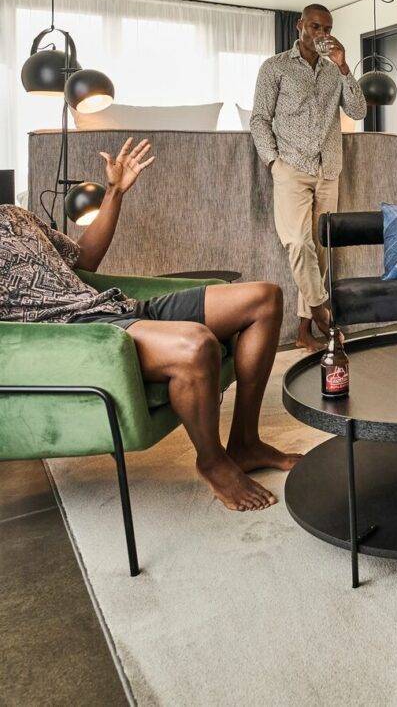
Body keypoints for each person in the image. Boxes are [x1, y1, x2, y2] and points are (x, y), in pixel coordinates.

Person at [0, 138, 300, 512]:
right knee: (196, 344)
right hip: (82, 334)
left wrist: (114, 191)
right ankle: (212, 461)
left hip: (116, 306)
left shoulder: (14, 215)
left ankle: (246, 443)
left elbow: (83, 260)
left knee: (265, 298)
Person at [251, 4, 367, 349]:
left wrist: (344, 66)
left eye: (326, 28)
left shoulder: (334, 70)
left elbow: (358, 110)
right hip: (291, 167)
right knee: (298, 243)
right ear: (299, 25)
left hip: (328, 169)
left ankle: (304, 332)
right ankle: (321, 314)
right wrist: (273, 162)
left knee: (320, 249)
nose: (321, 33)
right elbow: (259, 119)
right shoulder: (275, 67)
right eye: (315, 26)